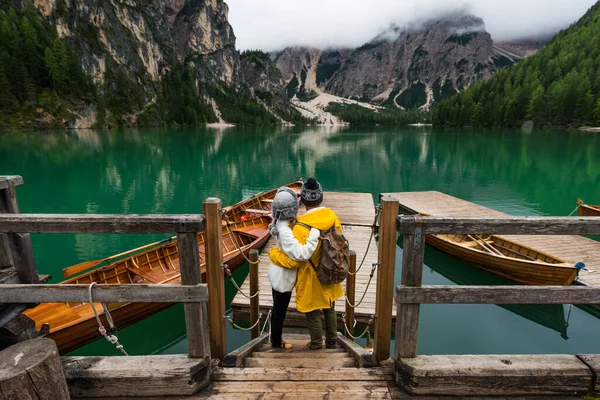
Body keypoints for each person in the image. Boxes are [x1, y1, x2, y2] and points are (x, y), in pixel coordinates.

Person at [269, 178, 344, 349]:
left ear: (302, 200)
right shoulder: (332, 217)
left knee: (313, 312)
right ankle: (332, 341)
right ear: (321, 197)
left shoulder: (300, 227)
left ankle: (316, 344)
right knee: (330, 307)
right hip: (331, 268)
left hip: (312, 275)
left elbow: (296, 259)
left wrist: (274, 255)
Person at [267, 186, 321, 349]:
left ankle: (274, 340)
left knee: (277, 308)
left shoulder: (279, 222)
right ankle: (276, 343)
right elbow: (301, 254)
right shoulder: (285, 230)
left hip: (278, 272)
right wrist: (314, 234)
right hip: (283, 277)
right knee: (279, 311)